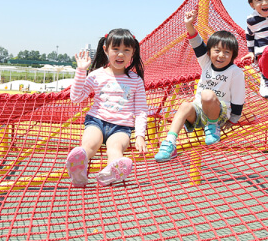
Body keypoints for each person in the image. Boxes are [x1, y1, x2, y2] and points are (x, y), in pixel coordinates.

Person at [154, 10, 246, 162]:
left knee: (207, 95)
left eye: (226, 52)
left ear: (233, 55)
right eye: (217, 51)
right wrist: (189, 25)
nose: (221, 55)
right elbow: (197, 44)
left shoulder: (235, 72)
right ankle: (170, 143)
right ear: (209, 52)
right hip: (199, 114)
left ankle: (212, 126)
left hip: (219, 113)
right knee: (184, 105)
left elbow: (238, 96)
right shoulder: (206, 63)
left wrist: (234, 119)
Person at [66, 28, 148, 187]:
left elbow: (140, 110)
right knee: (90, 144)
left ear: (133, 52)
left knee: (115, 148)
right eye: (116, 49)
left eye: (126, 50)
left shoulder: (136, 80)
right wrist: (81, 71)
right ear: (106, 49)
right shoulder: (96, 75)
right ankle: (78, 172)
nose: (120, 54)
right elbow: (76, 98)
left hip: (122, 127)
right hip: (97, 121)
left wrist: (140, 135)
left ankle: (109, 173)